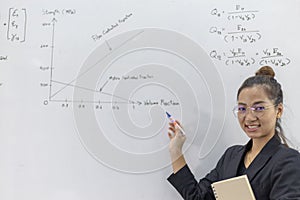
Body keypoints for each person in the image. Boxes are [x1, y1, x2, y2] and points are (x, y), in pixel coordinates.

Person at [167, 66, 300, 199]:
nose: (249, 117)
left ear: (279, 111)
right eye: (242, 108)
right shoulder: (231, 156)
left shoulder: (289, 161)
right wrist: (175, 150)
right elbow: (197, 197)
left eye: (259, 108)